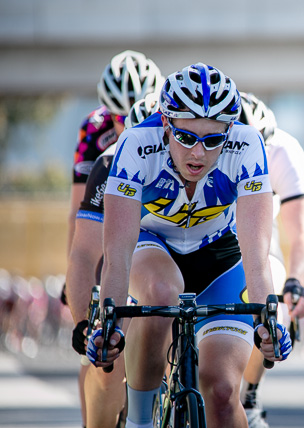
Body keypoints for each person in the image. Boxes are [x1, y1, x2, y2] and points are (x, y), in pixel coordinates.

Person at [86, 63, 292, 428]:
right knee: (163, 291)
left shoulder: (247, 145)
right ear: (165, 123)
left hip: (220, 256)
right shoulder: (136, 144)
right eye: (185, 137)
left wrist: (268, 321)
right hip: (153, 246)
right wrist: (109, 322)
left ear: (229, 131)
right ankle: (139, 422)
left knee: (224, 393)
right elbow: (117, 254)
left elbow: (256, 254)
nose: (198, 153)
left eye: (213, 140)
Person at [65, 50, 162, 428]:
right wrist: (78, 294)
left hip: (153, 242)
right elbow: (80, 217)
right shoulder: (96, 133)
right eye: (119, 119)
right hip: (106, 221)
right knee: (102, 358)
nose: (127, 129)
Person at [237, 92, 304, 428]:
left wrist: (294, 282)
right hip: (205, 236)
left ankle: (249, 395)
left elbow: (301, 233)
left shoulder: (284, 149)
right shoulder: (204, 146)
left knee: (273, 307)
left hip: (259, 241)